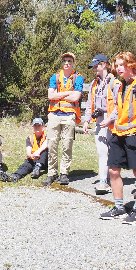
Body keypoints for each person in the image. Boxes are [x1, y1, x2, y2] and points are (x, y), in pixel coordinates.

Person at [99, 51, 136, 224]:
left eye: (121, 64)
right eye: (116, 65)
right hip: (119, 134)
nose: (118, 68)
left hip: (134, 135)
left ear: (131, 65)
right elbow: (120, 109)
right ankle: (119, 207)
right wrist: (109, 120)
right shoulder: (121, 85)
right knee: (113, 170)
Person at [42, 52, 84, 187]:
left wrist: (58, 95)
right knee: (52, 144)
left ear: (73, 63)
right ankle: (51, 173)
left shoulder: (78, 78)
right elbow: (50, 95)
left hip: (69, 115)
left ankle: (64, 173)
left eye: (69, 61)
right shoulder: (55, 77)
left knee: (67, 145)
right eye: (64, 61)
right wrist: (67, 93)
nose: (66, 63)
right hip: (54, 114)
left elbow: (75, 97)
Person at [82, 54, 122, 195]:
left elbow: (119, 105)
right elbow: (89, 104)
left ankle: (114, 179)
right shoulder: (94, 84)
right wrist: (86, 120)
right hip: (99, 121)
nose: (94, 69)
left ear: (104, 64)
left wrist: (110, 119)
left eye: (96, 65)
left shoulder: (115, 83)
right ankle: (103, 181)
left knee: (113, 151)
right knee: (101, 151)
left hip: (113, 122)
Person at [0, 118, 48, 182]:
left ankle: (37, 167)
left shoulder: (47, 135)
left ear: (43, 126)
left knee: (45, 150)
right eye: (35, 125)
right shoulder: (30, 137)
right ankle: (15, 176)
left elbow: (47, 143)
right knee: (25, 165)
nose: (37, 127)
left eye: (39, 125)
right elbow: (28, 152)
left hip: (44, 161)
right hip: (33, 159)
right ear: (32, 126)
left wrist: (38, 152)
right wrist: (32, 155)